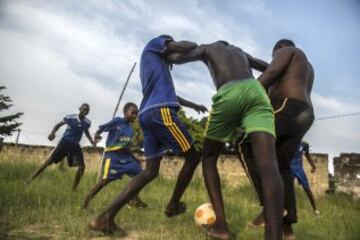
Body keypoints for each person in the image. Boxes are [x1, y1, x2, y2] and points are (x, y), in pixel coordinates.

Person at [89, 35, 207, 235]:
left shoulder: (155, 68)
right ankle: (173, 205)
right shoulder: (154, 46)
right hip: (161, 113)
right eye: (169, 46)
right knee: (193, 156)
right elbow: (183, 46)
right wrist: (202, 48)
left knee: (150, 171)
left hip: (147, 115)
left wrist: (194, 105)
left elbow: (173, 96)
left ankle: (104, 218)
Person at [167, 40, 284, 240]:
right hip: (256, 91)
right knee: (269, 166)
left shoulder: (209, 47)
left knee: (209, 156)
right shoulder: (240, 51)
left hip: (230, 92)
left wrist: (170, 49)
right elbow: (268, 67)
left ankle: (222, 228)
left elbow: (176, 59)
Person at [245, 39, 315, 240]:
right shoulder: (303, 66)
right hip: (304, 115)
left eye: (274, 55)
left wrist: (243, 98)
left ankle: (270, 207)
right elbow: (268, 67)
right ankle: (287, 228)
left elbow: (271, 73)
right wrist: (247, 59)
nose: (273, 59)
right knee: (282, 165)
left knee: (246, 144)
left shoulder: (288, 51)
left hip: (286, 107)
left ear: (278, 49)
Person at [83, 102, 147, 209]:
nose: (135, 116)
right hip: (113, 157)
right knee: (104, 181)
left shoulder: (130, 130)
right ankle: (86, 201)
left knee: (141, 176)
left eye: (137, 114)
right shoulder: (117, 121)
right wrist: (97, 135)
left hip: (126, 158)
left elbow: (126, 148)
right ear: (125, 112)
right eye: (133, 113)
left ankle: (133, 199)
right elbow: (101, 129)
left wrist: (136, 159)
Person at [27, 103, 95, 191]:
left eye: (87, 110)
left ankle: (74, 189)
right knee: (49, 161)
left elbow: (86, 131)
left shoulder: (87, 122)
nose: (85, 111)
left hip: (75, 146)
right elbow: (58, 125)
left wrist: (91, 141)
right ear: (80, 109)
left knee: (82, 167)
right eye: (83, 109)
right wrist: (52, 133)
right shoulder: (70, 117)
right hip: (64, 143)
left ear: (88, 112)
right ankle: (30, 180)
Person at [290, 141, 319, 215]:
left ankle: (315, 209)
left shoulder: (304, 144)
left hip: (299, 169)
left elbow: (307, 155)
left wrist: (313, 165)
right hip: (289, 168)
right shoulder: (289, 141)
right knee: (289, 190)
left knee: (307, 189)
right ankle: (290, 210)